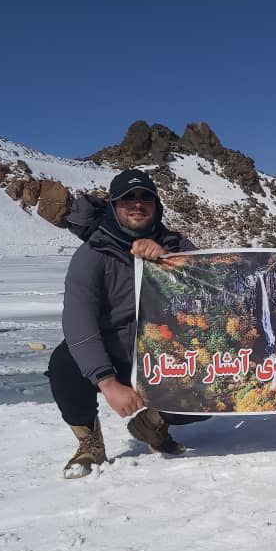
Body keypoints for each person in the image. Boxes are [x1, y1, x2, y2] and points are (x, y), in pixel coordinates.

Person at [47, 168, 207, 479]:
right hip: (116, 353)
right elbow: (78, 322)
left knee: (217, 378)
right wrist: (107, 383)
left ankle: (154, 426)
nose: (137, 204)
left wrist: (169, 263)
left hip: (164, 354)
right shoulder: (93, 254)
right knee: (65, 363)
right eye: (127, 199)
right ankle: (89, 443)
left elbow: (212, 292)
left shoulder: (178, 244)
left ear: (156, 205)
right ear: (114, 206)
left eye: (145, 197)